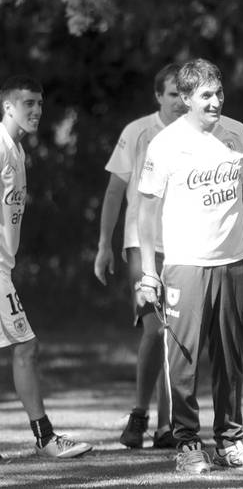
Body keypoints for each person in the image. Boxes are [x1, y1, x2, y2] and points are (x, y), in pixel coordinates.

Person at [137, 58, 243, 474]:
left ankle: (230, 440)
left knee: (230, 360)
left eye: (219, 93)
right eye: (206, 95)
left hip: (235, 264)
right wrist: (148, 272)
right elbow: (147, 211)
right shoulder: (166, 144)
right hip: (186, 266)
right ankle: (187, 443)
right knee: (184, 361)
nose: (215, 102)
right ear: (187, 98)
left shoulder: (238, 133)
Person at [0, 75, 92, 458]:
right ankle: (45, 438)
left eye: (39, 103)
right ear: (8, 106)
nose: (36, 111)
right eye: (28, 104)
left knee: (25, 348)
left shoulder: (16, 151)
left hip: (4, 266)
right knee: (27, 346)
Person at [94, 63, 184, 449]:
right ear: (158, 97)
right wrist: (103, 244)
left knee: (176, 336)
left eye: (185, 94)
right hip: (141, 243)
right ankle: (139, 413)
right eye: (172, 94)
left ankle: (167, 426)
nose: (180, 102)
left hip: (185, 246)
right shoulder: (138, 132)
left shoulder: (200, 133)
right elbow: (115, 191)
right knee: (155, 329)